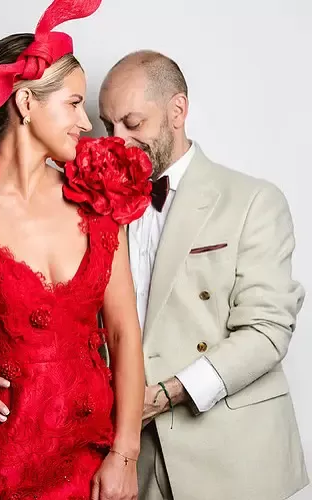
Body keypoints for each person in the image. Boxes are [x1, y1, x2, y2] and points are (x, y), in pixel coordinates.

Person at [0, 1, 150, 498]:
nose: (85, 123)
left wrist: (125, 455)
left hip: (89, 466)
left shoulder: (99, 200)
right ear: (25, 103)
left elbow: (124, 333)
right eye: (74, 103)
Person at [99, 50, 308, 500]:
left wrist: (167, 393)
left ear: (177, 111)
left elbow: (268, 330)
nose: (117, 142)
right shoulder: (99, 207)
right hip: (130, 455)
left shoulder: (254, 200)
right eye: (108, 126)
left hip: (231, 454)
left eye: (133, 124)